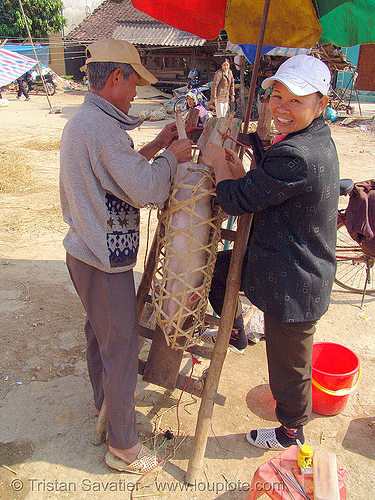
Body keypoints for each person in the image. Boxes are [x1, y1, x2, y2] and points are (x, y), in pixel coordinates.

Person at [59, 38, 192, 473]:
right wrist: (172, 161)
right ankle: (124, 448)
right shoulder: (101, 129)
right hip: (102, 259)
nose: (137, 91)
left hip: (85, 251)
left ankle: (106, 408)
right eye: (135, 81)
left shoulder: (90, 123)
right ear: (116, 77)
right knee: (121, 347)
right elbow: (147, 188)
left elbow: (120, 173)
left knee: (102, 337)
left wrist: (155, 146)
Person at [202, 55, 339, 450]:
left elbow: (236, 199)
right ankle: (237, 332)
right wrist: (242, 168)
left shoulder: (298, 154)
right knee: (219, 270)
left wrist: (217, 162)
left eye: (296, 100)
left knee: (289, 365)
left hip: (294, 278)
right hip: (275, 259)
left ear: (321, 105)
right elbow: (266, 185)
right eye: (276, 95)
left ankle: (291, 433)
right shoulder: (309, 139)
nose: (281, 106)